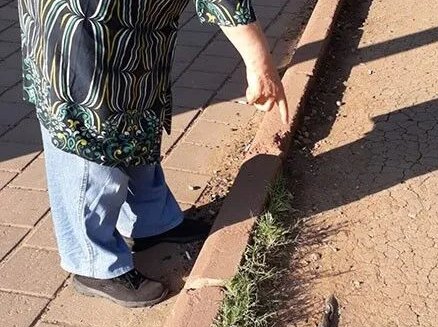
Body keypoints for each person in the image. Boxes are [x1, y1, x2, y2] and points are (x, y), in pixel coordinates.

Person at [18, 0, 288, 308]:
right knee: (90, 128)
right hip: (84, 21)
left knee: (132, 105)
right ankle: (91, 261)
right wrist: (259, 62)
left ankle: (151, 222)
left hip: (131, 24)